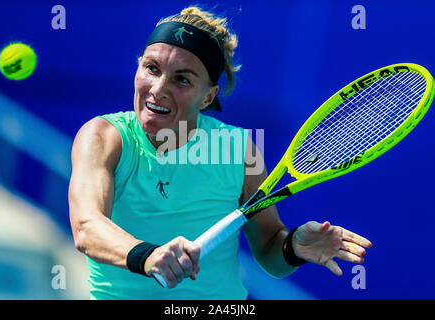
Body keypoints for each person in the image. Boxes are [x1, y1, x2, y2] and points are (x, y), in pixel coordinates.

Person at [68, 6, 372, 300]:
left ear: (208, 96)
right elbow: (86, 227)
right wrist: (148, 257)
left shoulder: (238, 151)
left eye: (182, 79)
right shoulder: (103, 137)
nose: (159, 89)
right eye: (152, 68)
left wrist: (292, 247)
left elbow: (269, 249)